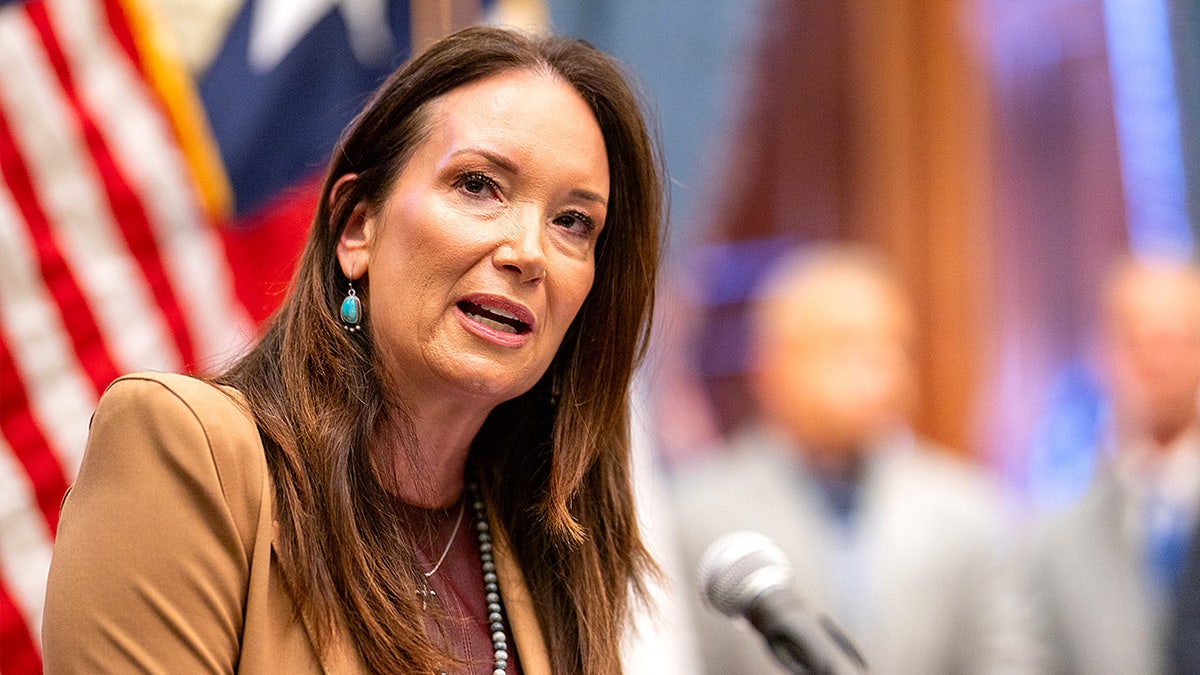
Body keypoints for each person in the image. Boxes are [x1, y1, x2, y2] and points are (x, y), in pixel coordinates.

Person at [42, 26, 664, 674]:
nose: (529, 252)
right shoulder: (184, 453)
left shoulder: (551, 557)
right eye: (479, 185)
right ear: (356, 225)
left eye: (573, 222)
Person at [669, 244, 1036, 674]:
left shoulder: (972, 511)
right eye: (846, 345)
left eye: (894, 346)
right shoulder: (690, 513)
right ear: (769, 365)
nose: (879, 368)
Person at [1022, 255, 1200, 674]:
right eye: (1142, 339)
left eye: (1182, 338)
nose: (1163, 360)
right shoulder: (1055, 537)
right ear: (1106, 352)